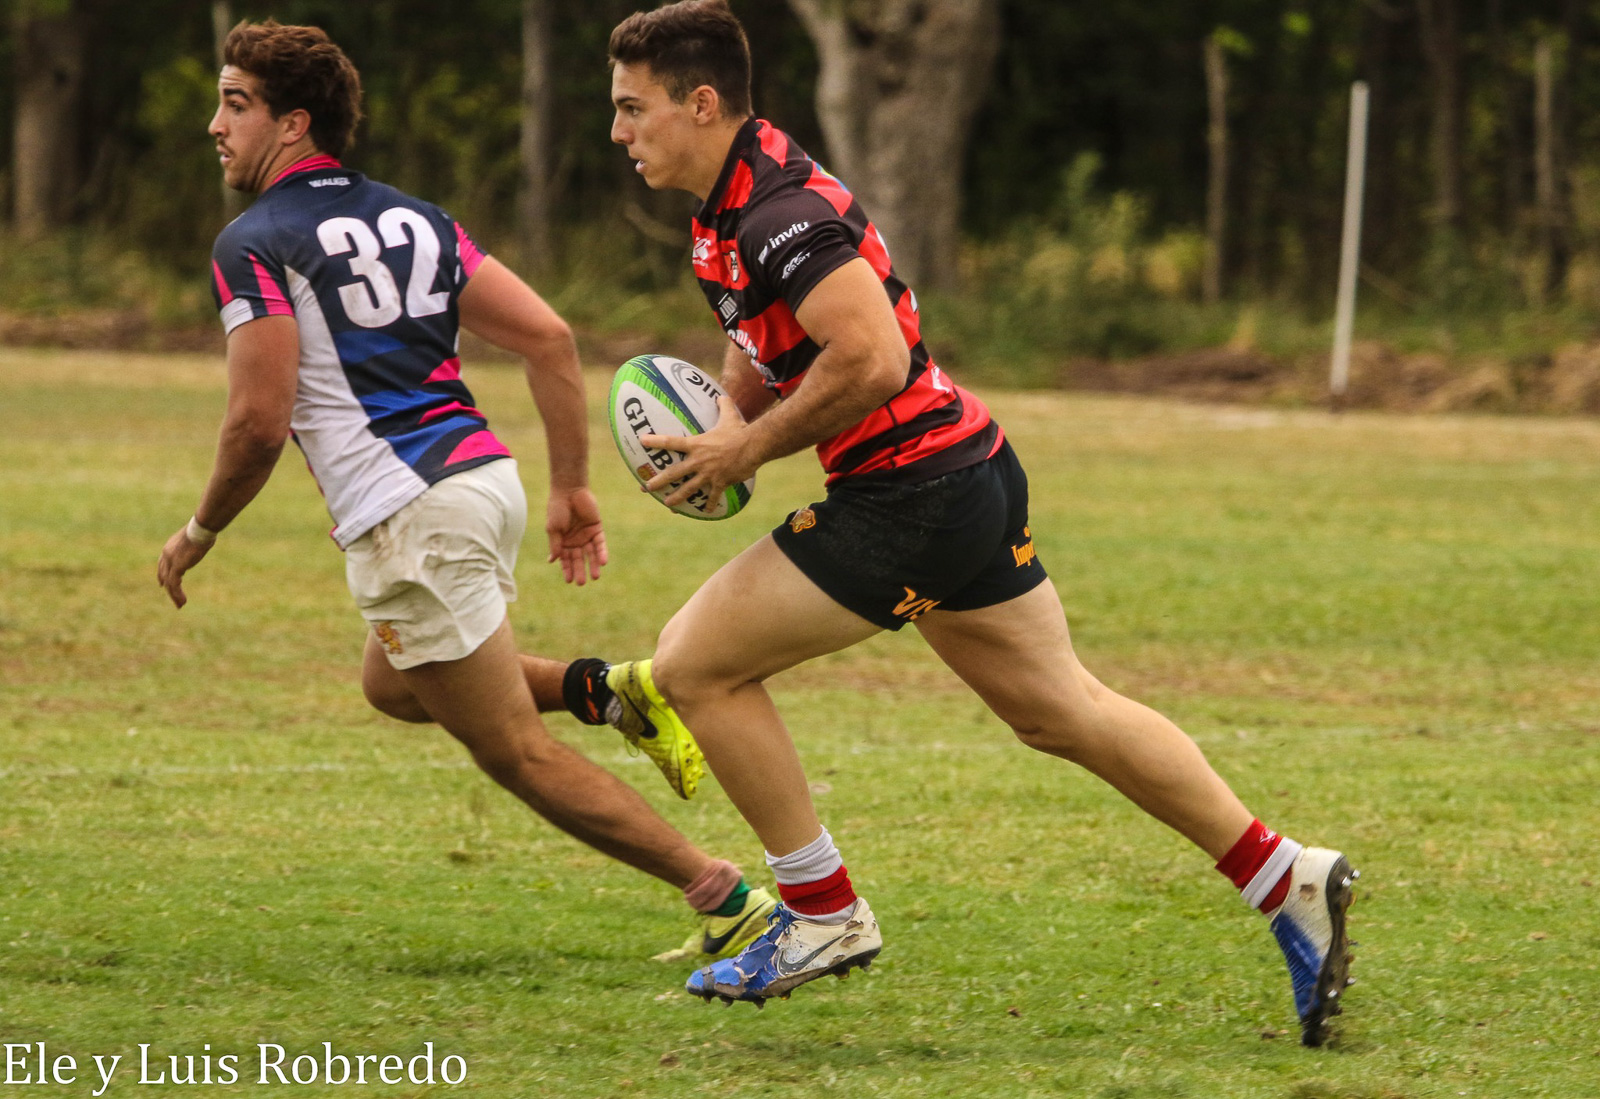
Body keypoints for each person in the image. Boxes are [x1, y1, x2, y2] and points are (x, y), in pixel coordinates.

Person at [606, 0, 1358, 1046]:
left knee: (693, 666)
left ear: (699, 103)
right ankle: (1288, 875)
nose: (619, 130)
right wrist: (726, 423)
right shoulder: (726, 207)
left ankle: (821, 913)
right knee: (1062, 711)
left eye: (632, 108)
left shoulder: (777, 212)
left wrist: (747, 449)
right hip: (962, 472)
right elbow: (761, 332)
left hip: (909, 489)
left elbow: (869, 356)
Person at [155, 17, 776, 968]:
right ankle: (607, 690)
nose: (215, 124)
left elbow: (256, 422)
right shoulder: (418, 218)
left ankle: (727, 895)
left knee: (513, 750)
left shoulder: (254, 241)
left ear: (294, 123)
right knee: (395, 683)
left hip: (412, 513)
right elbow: (551, 339)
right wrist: (570, 487)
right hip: (481, 479)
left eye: (235, 103)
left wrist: (200, 529)